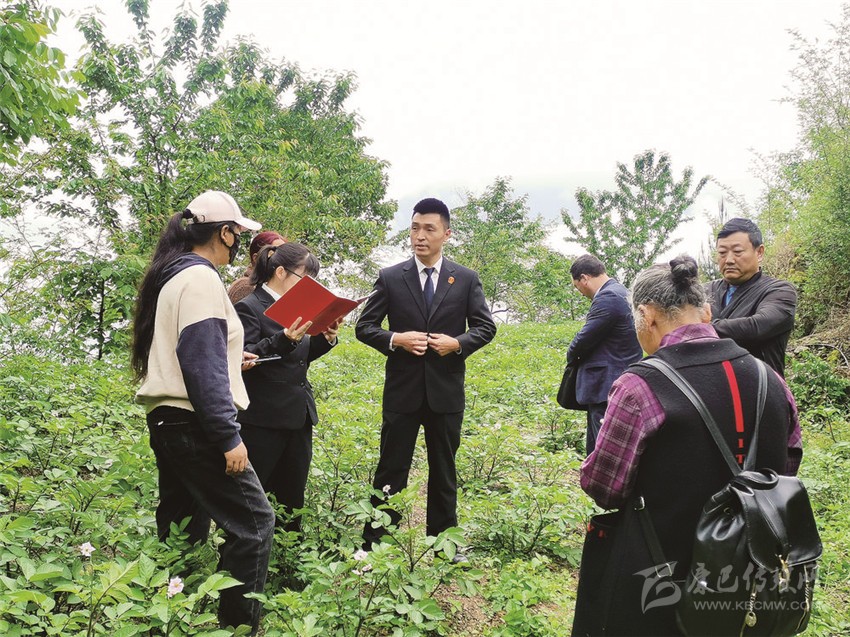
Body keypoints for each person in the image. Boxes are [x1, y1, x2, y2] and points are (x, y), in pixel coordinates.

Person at [572, 255, 802, 637]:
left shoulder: (640, 386)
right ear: (707, 312)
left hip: (662, 579)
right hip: (752, 575)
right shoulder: (771, 380)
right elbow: (788, 465)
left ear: (646, 315)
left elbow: (605, 488)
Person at [132, 191, 275, 635]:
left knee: (182, 527)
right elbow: (198, 361)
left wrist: (231, 360)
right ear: (224, 233)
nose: (239, 243)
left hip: (169, 419)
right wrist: (228, 437)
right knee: (255, 523)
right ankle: (236, 626)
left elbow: (194, 354)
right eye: (237, 233)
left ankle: (168, 619)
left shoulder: (174, 274)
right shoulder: (200, 278)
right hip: (195, 423)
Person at [356, 197, 496, 558]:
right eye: (415, 228)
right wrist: (396, 339)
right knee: (391, 468)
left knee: (444, 469)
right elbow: (365, 327)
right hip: (402, 391)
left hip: (445, 392)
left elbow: (485, 327)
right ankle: (376, 544)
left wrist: (458, 344)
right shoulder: (391, 277)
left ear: (446, 234)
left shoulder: (464, 279)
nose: (420, 236)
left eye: (429, 229)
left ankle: (445, 544)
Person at [235, 242, 340, 534]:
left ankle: (289, 557)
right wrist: (284, 338)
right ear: (280, 272)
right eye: (305, 279)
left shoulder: (299, 309)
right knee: (255, 497)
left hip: (298, 416)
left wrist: (326, 338)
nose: (310, 287)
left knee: (292, 496)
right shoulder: (249, 307)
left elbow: (299, 358)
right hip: (263, 419)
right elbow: (245, 357)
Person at [567, 254, 642, 455]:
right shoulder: (622, 292)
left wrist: (570, 355)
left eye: (577, 286)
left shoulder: (608, 297)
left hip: (605, 386)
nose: (580, 292)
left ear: (584, 278)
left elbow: (583, 340)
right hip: (618, 380)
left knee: (603, 450)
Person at [705, 217, 797, 376]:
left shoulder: (779, 291)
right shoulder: (705, 291)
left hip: (761, 387)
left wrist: (700, 329)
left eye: (737, 252)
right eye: (722, 253)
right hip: (709, 387)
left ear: (759, 252)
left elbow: (756, 327)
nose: (729, 260)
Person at [228, 231, 286, 304]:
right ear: (256, 258)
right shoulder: (246, 287)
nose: (282, 259)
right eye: (275, 254)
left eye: (284, 254)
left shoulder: (269, 287)